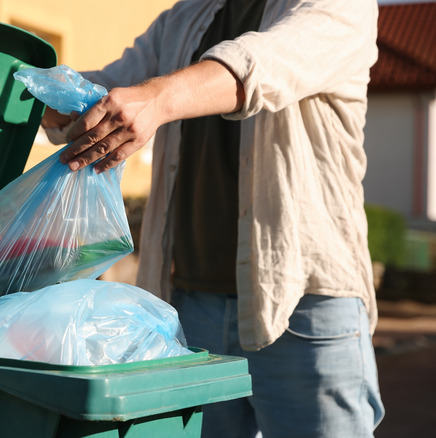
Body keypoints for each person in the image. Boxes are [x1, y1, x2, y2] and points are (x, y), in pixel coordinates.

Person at [41, 1, 385, 436]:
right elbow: (107, 90)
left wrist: (158, 99)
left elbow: (262, 65)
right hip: (189, 306)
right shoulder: (184, 17)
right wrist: (41, 95)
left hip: (305, 306)